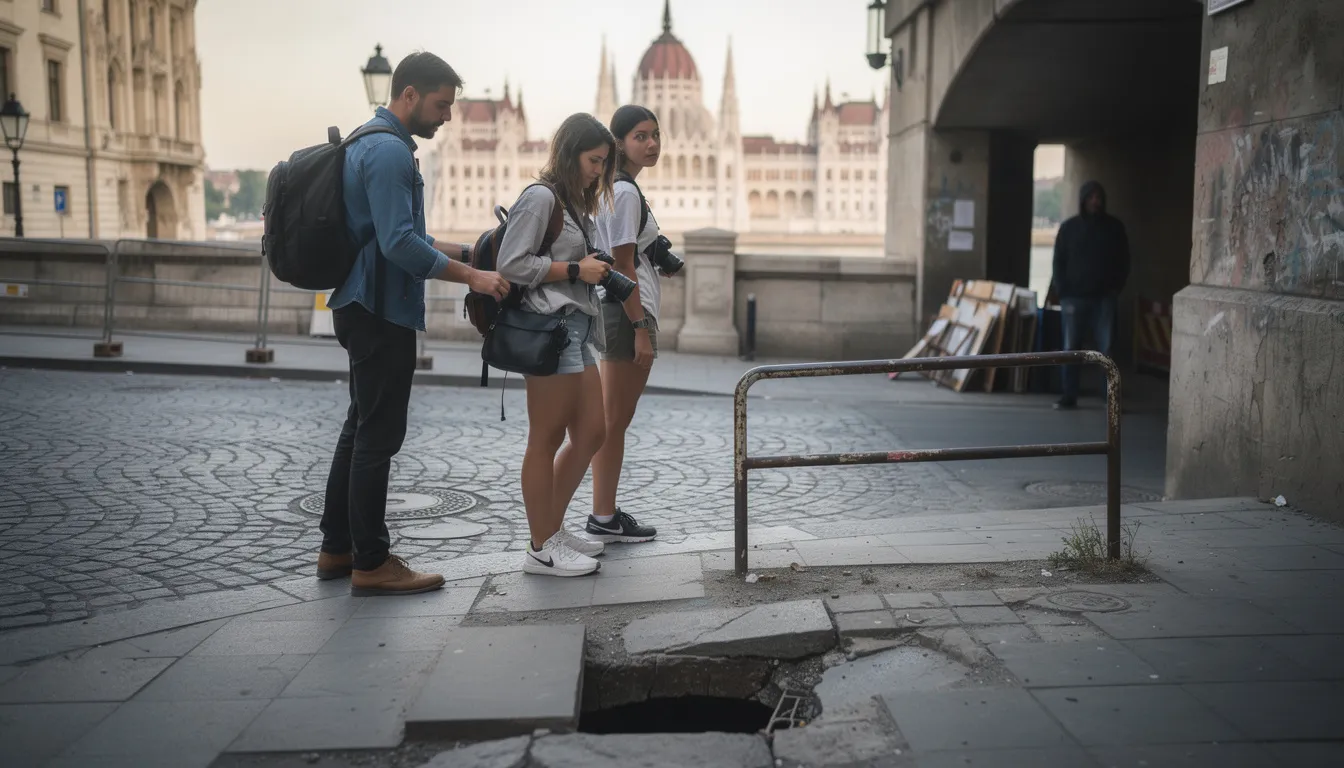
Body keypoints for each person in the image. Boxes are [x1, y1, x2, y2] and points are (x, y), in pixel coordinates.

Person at [318, 52, 510, 595]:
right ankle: (371, 562)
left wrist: (470, 252)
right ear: (408, 96)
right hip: (380, 311)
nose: (447, 116)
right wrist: (472, 278)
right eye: (441, 104)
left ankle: (337, 549)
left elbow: (404, 235)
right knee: (377, 437)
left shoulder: (372, 143)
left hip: (363, 306)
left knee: (359, 431)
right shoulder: (389, 154)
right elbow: (398, 244)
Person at [496, 113, 617, 577]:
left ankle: (554, 527)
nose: (598, 172)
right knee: (545, 439)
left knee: (592, 433)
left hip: (579, 330)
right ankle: (541, 546)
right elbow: (511, 264)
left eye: (604, 164)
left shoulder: (571, 204)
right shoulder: (540, 198)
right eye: (593, 161)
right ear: (570, 154)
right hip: (549, 329)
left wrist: (590, 268)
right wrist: (574, 270)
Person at [586, 105, 664, 545]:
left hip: (623, 310)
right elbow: (622, 264)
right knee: (611, 422)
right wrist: (639, 326)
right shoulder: (626, 192)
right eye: (640, 136)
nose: (651, 144)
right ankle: (598, 515)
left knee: (614, 420)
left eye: (655, 134)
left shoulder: (617, 187)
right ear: (619, 142)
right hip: (625, 313)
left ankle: (605, 512)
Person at [1048, 180, 1130, 410]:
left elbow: (1124, 260)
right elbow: (1058, 261)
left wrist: (1116, 287)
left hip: (1105, 298)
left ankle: (1110, 398)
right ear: (1084, 200)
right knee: (1071, 349)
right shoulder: (1069, 228)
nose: (1096, 201)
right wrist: (1062, 291)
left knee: (1107, 350)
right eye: (1091, 197)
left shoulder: (1114, 228)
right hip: (1073, 299)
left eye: (1099, 197)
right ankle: (1069, 396)